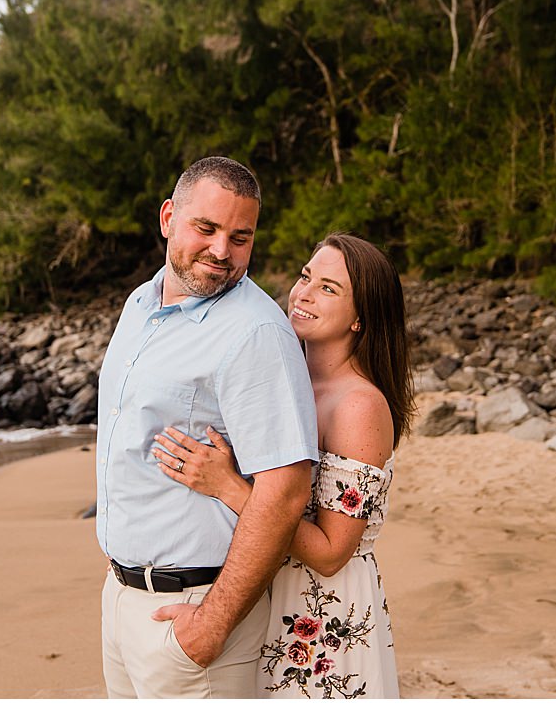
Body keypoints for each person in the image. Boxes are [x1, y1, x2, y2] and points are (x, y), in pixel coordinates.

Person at [153, 233, 413, 698]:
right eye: (305, 276)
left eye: (329, 289)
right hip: (265, 590)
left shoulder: (358, 406)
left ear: (361, 319)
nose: (304, 293)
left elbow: (333, 551)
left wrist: (228, 487)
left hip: (321, 614)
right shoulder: (287, 377)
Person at [96, 156, 319, 699]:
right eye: (207, 228)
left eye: (240, 237)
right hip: (123, 598)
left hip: (196, 612)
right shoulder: (138, 305)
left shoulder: (255, 332)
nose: (222, 251)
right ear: (169, 217)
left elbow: (285, 493)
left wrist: (211, 624)